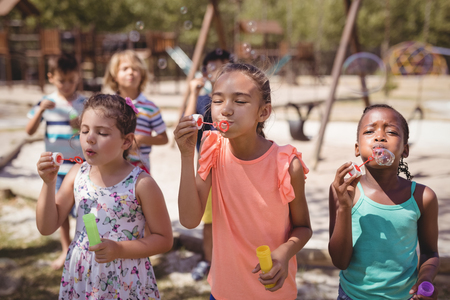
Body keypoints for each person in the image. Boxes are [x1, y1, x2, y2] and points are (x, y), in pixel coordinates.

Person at [174, 63, 313, 299]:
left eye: (239, 101)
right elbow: (189, 220)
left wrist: (284, 253)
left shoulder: (287, 165)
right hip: (223, 292)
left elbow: (304, 228)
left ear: (263, 112)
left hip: (272, 292)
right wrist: (186, 156)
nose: (225, 110)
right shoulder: (212, 149)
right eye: (217, 101)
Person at [35, 94, 173, 299]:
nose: (90, 137)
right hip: (82, 277)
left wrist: (119, 249)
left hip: (125, 280)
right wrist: (48, 184)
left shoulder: (142, 184)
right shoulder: (76, 174)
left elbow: (164, 239)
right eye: (84, 130)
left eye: (101, 132)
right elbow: (46, 227)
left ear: (126, 141)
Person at [328, 104, 439, 300]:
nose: (379, 137)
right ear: (356, 148)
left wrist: (425, 279)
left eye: (391, 132)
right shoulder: (343, 191)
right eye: (370, 131)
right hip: (352, 295)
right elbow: (340, 261)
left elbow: (430, 253)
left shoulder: (423, 197)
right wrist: (344, 207)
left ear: (405, 150)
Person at [26, 52, 86, 270]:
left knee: (84, 209)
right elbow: (29, 130)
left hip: (80, 166)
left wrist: (81, 125)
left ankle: (88, 248)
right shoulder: (47, 102)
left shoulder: (85, 103)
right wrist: (40, 109)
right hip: (57, 169)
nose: (67, 85)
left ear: (78, 76)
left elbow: (91, 134)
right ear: (51, 77)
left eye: (71, 80)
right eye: (62, 80)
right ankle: (65, 250)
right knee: (60, 213)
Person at [184, 48, 233, 281]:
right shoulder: (203, 101)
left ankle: (231, 261)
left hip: (234, 171)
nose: (219, 72)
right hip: (209, 172)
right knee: (209, 221)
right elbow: (186, 126)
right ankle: (208, 260)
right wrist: (192, 92)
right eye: (214, 67)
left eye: (225, 66)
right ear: (205, 73)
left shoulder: (235, 102)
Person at [104, 50, 168, 174]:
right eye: (125, 68)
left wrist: (141, 139)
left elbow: (164, 138)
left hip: (139, 167)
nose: (130, 72)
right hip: (111, 165)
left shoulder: (150, 107)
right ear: (114, 76)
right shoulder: (108, 106)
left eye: (135, 69)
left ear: (142, 75)